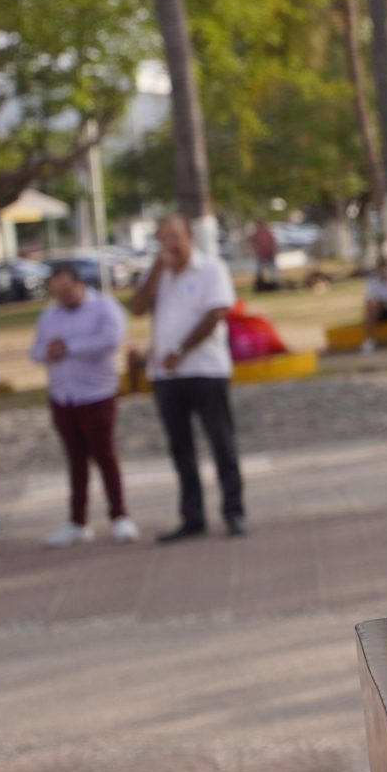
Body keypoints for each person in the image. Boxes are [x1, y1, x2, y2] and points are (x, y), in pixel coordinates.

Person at [132, 215, 246, 542]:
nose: (170, 244)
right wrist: (156, 271)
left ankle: (234, 511)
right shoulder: (158, 276)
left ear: (188, 237)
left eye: (175, 236)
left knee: (221, 441)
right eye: (163, 237)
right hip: (166, 376)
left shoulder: (211, 269)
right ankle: (192, 516)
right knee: (180, 447)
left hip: (206, 369)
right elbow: (138, 309)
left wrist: (182, 349)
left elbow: (216, 314)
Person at [29, 263, 137, 546]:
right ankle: (78, 521)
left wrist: (70, 347)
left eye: (66, 290)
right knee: (75, 459)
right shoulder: (50, 315)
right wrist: (49, 351)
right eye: (56, 292)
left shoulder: (103, 307)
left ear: (79, 284)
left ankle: (119, 515)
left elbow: (111, 339)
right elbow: (36, 349)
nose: (62, 297)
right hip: (63, 396)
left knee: (104, 456)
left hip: (96, 394)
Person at [248, 219, 280, 292]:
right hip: (263, 255)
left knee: (272, 270)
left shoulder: (266, 233)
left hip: (267, 255)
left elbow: (273, 243)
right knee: (262, 271)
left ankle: (276, 284)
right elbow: (251, 242)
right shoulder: (258, 234)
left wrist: (273, 252)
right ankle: (260, 285)